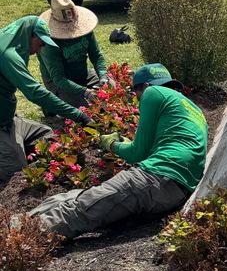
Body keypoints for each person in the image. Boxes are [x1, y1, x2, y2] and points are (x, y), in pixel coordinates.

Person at [28, 64, 207, 240]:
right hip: (175, 192)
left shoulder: (152, 93)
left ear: (144, 86)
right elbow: (165, 145)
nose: (138, 100)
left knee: (81, 210)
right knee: (83, 196)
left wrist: (112, 144)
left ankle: (21, 235)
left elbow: (137, 154)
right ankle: (25, 219)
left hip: (157, 177)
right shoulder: (194, 110)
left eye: (136, 95)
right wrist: (128, 144)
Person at [0, 14, 82, 188]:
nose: (40, 49)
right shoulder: (7, 54)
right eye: (41, 44)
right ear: (32, 36)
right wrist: (77, 114)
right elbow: (35, 93)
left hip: (9, 121)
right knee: (15, 171)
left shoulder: (14, 42)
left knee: (45, 136)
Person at [37, 0, 109, 122]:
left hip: (83, 74)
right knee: (86, 111)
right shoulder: (48, 43)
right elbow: (59, 79)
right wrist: (85, 92)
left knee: (110, 91)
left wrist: (103, 76)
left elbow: (96, 55)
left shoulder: (85, 31)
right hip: (59, 82)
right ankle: (50, 103)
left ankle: (74, 95)